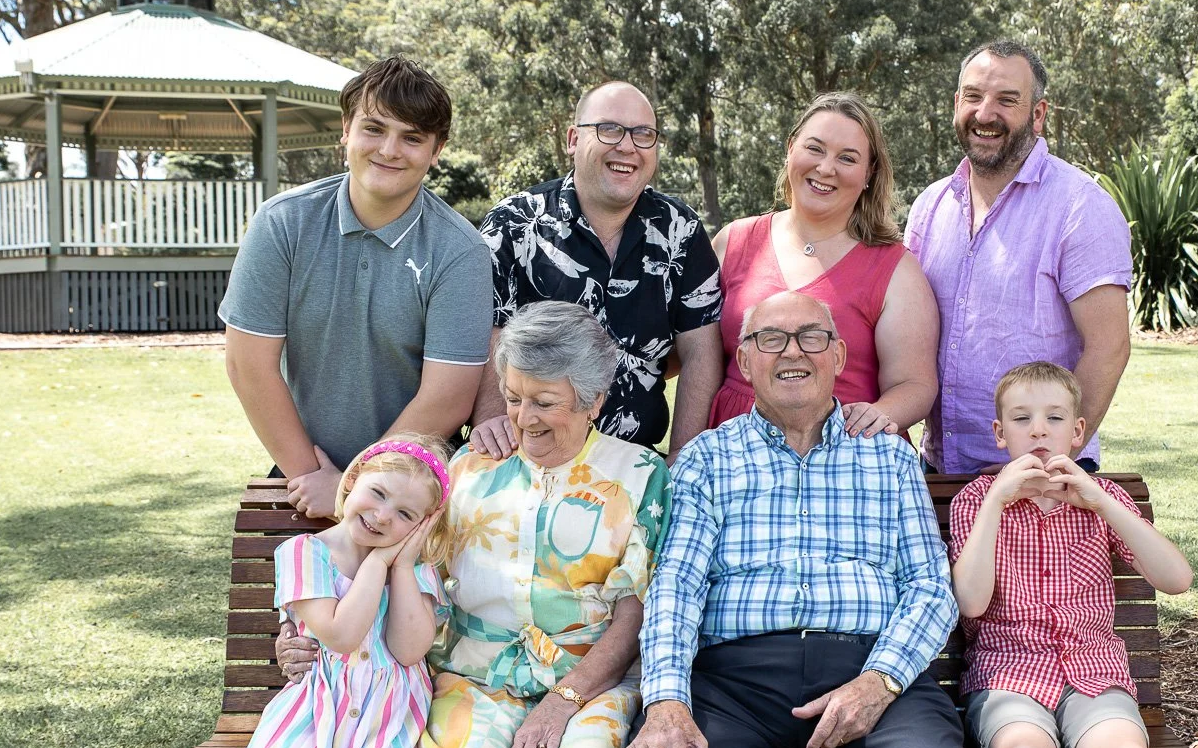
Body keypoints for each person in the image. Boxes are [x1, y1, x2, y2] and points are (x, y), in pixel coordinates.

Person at [608, 290, 995, 748]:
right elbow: (675, 588)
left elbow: (930, 590)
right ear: (745, 364)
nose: (792, 351)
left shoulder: (888, 455)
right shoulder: (706, 460)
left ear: (840, 356)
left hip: (871, 669)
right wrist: (667, 703)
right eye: (771, 339)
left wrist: (878, 683)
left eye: (812, 337)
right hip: (735, 688)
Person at [405, 301, 669, 748]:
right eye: (514, 397)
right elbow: (390, 552)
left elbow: (633, 613)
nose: (523, 419)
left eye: (545, 402)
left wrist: (562, 701)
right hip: (470, 678)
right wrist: (304, 627)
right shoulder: (469, 468)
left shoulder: (638, 477)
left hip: (593, 682)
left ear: (593, 399)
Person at [947, 361, 1193, 748]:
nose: (1039, 432)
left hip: (1093, 674)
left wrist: (1103, 504)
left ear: (1077, 433)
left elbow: (1177, 578)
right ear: (998, 433)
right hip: (1008, 675)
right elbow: (972, 602)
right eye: (1022, 419)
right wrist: (996, 504)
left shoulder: (1101, 499)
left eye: (1054, 419)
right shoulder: (977, 500)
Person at [219, 56, 492, 520]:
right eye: (374, 129)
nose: (389, 149)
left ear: (436, 150)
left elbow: (447, 396)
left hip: (416, 486)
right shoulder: (283, 224)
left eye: (412, 137)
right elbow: (249, 366)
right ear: (346, 129)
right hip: (304, 470)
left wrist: (354, 488)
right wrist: (316, 479)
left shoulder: (461, 250)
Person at [213, 434, 454, 748]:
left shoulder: (416, 572)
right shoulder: (305, 553)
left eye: (408, 514)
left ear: (424, 527)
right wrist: (376, 565)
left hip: (388, 724)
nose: (385, 516)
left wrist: (404, 566)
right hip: (314, 717)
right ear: (352, 482)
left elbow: (410, 650)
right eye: (379, 493)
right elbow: (341, 634)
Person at [905, 40, 1132, 473]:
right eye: (973, 96)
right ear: (957, 103)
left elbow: (1109, 348)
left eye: (1007, 100)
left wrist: (1050, 461)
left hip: (1043, 480)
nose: (985, 114)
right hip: (938, 471)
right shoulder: (929, 206)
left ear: (1039, 115)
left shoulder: (1081, 207)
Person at [468, 80, 723, 460]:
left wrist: (683, 458)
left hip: (634, 463)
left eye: (643, 134)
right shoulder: (515, 222)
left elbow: (701, 349)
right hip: (524, 458)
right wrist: (490, 419)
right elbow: (490, 330)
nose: (627, 145)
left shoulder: (680, 231)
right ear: (573, 138)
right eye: (609, 129)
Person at [708, 92, 938, 438]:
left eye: (847, 158)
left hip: (840, 458)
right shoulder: (733, 242)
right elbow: (698, 362)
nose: (826, 168)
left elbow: (915, 384)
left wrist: (878, 415)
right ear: (790, 150)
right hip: (735, 459)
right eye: (815, 149)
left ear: (868, 174)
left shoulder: (895, 269)